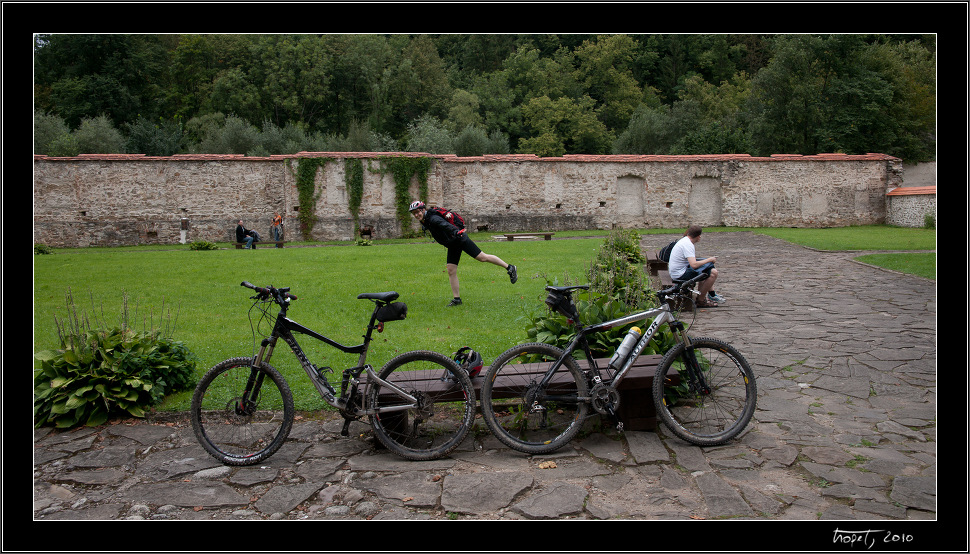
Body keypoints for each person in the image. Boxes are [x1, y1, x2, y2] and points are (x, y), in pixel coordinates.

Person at [408, 201, 517, 306]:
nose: (417, 215)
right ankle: (457, 299)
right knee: (451, 270)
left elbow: (445, 225)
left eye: (418, 212)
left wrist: (456, 231)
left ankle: (510, 267)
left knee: (482, 257)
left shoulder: (433, 218)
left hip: (460, 239)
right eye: (414, 214)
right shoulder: (426, 220)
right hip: (452, 243)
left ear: (423, 210)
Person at [667, 225, 723, 307]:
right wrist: (709, 259)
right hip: (680, 274)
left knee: (707, 269)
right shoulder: (688, 244)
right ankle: (701, 300)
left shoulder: (685, 241)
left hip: (678, 271)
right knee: (713, 273)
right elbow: (694, 265)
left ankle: (708, 295)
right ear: (698, 236)